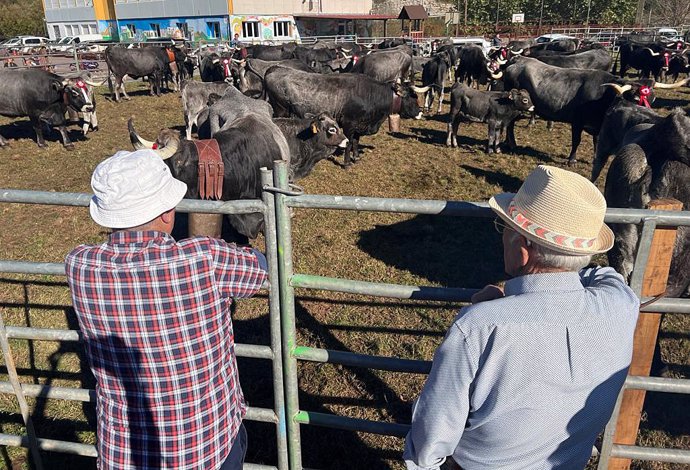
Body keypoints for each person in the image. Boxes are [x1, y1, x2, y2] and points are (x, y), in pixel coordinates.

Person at [403, 165, 640, 470]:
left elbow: (430, 442)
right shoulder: (621, 304)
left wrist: (499, 303)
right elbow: (606, 274)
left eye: (505, 229)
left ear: (522, 248)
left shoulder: (478, 328)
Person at [65, 149, 267, 470]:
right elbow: (260, 269)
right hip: (208, 444)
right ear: (168, 213)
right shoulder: (205, 258)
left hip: (124, 452)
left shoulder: (79, 265)